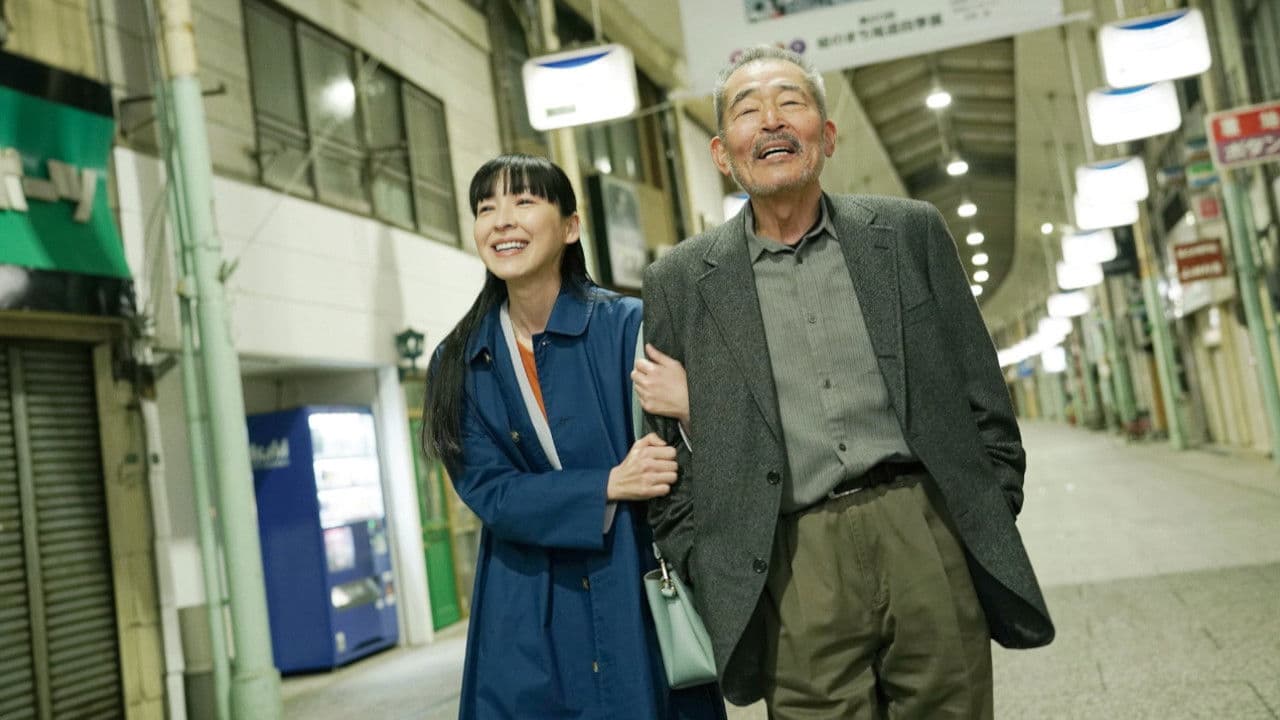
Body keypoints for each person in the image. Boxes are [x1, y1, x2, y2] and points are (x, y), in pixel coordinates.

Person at [635, 47, 1055, 719]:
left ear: (827, 137)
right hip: (789, 557)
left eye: (791, 102)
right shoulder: (681, 281)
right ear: (722, 153)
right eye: (748, 110)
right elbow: (663, 461)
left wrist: (978, 511)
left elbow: (981, 388)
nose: (771, 121)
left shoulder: (908, 233)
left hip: (923, 527)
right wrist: (709, 560)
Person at [421, 153, 725, 720]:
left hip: (633, 584)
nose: (502, 221)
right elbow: (490, 491)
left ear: (570, 226)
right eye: (486, 209)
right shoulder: (459, 360)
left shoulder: (630, 326)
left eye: (524, 202)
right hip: (524, 603)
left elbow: (685, 458)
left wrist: (691, 408)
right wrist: (609, 484)